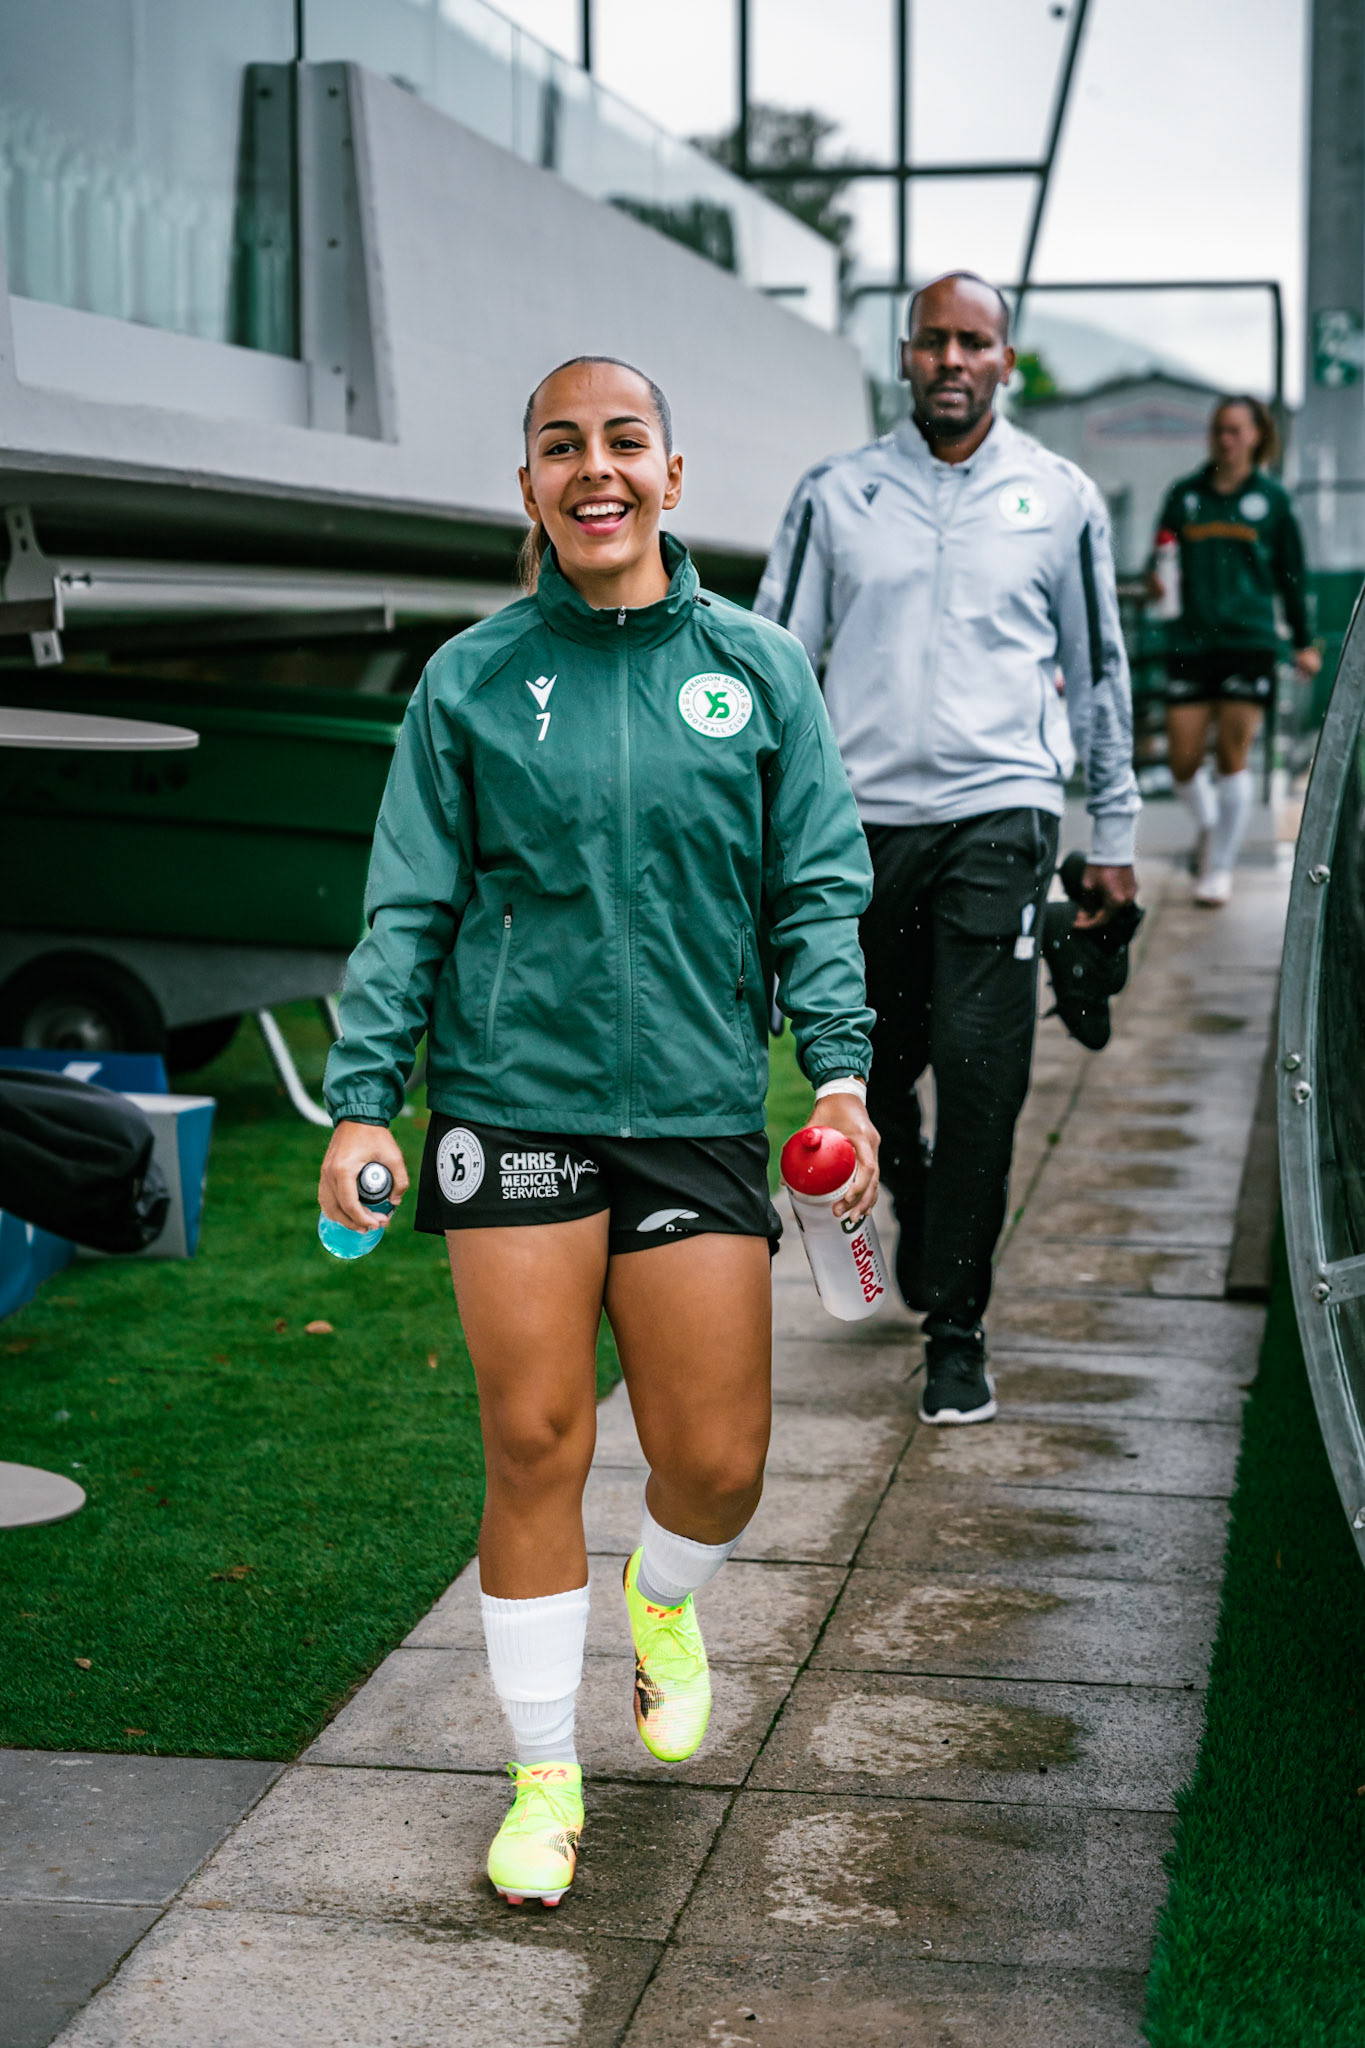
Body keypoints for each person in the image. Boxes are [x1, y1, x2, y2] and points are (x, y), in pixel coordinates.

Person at [317, 357, 878, 1910]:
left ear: (673, 478)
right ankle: (543, 1779)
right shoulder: (474, 679)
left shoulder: (757, 670)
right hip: (512, 1106)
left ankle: (667, 1602)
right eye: (560, 448)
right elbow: (410, 905)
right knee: (536, 1440)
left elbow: (817, 891)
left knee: (717, 1461)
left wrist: (837, 1079)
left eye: (622, 442)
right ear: (530, 490)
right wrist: (365, 1101)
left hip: (695, 1106)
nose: (594, 470)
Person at [756, 271, 1140, 1429]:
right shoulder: (835, 494)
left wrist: (1111, 832)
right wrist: (757, 829)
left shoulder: (1061, 496)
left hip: (1002, 813)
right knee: (874, 1067)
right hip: (856, 827)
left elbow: (1102, 668)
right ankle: (913, 1202)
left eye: (975, 342)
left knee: (981, 1068)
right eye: (934, 342)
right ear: (906, 356)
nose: (953, 361)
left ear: (1005, 360)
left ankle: (957, 1328)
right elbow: (778, 659)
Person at [1149, 395, 1320, 907]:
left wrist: (1303, 640)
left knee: (1233, 755)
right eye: (1219, 429)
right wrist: (1158, 584)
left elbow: (1293, 576)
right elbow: (1160, 560)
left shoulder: (1273, 500)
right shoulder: (1185, 496)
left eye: (1236, 430)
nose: (1226, 439)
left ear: (1256, 436)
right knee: (1182, 760)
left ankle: (1217, 868)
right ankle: (1214, 828)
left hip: (1249, 644)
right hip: (1190, 642)